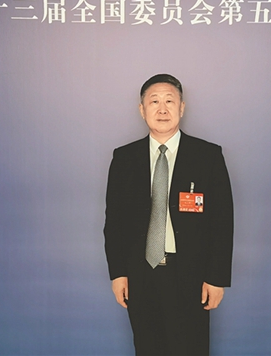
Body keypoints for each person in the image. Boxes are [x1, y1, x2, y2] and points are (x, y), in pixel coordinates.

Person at [104, 74, 234, 356]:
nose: (162, 109)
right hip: (140, 274)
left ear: (182, 108)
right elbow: (113, 223)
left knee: (191, 349)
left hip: (191, 275)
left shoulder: (207, 156)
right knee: (147, 348)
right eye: (154, 102)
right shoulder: (124, 158)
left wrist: (217, 278)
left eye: (169, 101)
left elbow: (222, 222)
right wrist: (118, 273)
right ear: (142, 109)